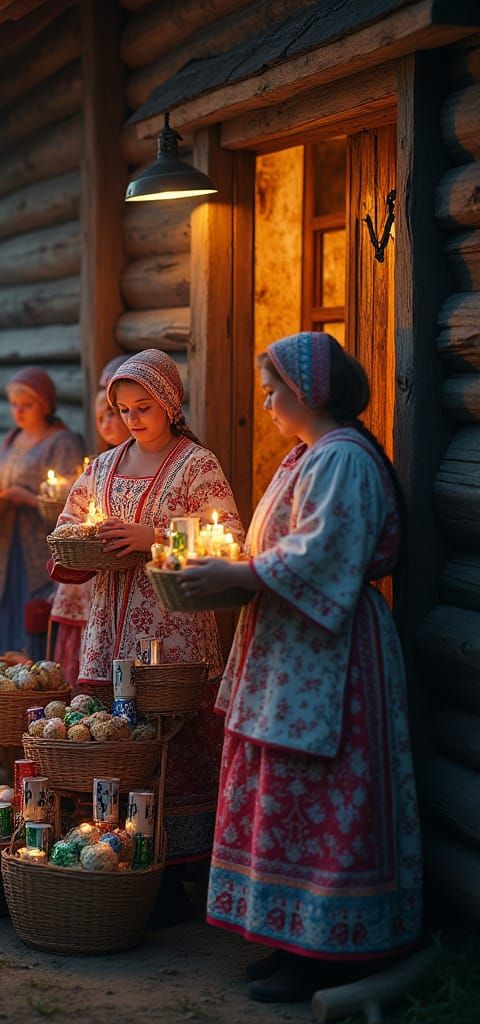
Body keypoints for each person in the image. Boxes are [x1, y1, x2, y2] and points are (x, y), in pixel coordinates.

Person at [181, 332, 421, 1001]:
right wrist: (239, 568)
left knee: (322, 794)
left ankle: (334, 952)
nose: (265, 400)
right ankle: (291, 941)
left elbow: (321, 554)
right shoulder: (305, 456)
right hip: (292, 648)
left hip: (333, 654)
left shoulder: (342, 459)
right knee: (280, 788)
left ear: (309, 391)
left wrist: (239, 572)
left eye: (274, 387)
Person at [50, 350, 243, 923]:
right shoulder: (103, 466)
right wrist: (84, 542)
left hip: (172, 633)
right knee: (115, 746)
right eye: (123, 408)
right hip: (107, 629)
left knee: (170, 745)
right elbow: (67, 528)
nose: (133, 418)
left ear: (171, 404)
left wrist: (152, 536)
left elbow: (226, 539)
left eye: (145, 407)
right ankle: (117, 859)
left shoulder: (196, 466)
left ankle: (176, 873)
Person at [0, 367, 85, 658]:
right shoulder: (13, 438)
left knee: (32, 614)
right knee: (2, 609)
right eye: (14, 404)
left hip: (36, 550)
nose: (19, 411)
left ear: (46, 405)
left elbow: (72, 505)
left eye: (27, 405)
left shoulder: (62, 442)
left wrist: (26, 498)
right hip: (4, 548)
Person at [50, 358, 132, 687]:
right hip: (89, 581)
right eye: (103, 416)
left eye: (116, 413)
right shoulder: (100, 465)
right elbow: (71, 517)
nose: (110, 422)